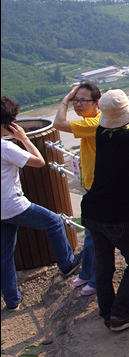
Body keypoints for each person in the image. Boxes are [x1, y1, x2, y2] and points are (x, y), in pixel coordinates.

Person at [81, 89, 129, 331]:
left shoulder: (101, 132)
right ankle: (121, 314)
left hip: (92, 210)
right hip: (117, 215)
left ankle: (106, 311)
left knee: (104, 265)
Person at [1, 96, 81, 311]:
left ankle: (12, 301)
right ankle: (67, 264)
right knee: (54, 222)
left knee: (5, 255)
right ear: (8, 124)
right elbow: (39, 162)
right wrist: (23, 139)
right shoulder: (5, 148)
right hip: (13, 205)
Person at [54, 81, 101, 297]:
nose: (78, 104)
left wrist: (66, 99)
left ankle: (96, 279)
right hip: (91, 185)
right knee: (90, 233)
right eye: (75, 100)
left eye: (83, 100)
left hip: (98, 188)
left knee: (97, 235)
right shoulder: (89, 120)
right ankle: (87, 273)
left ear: (96, 102)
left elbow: (58, 123)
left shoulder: (93, 123)